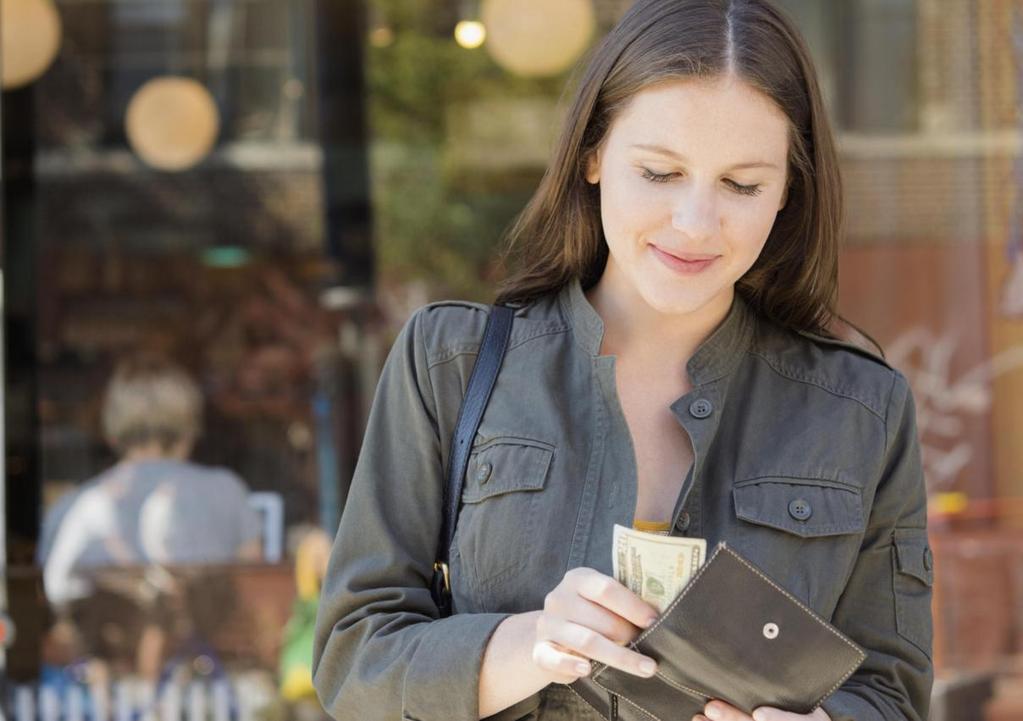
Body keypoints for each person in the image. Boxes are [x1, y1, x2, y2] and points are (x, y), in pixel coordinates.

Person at [311, 1, 933, 721]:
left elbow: (890, 692)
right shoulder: (447, 364)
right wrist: (529, 644)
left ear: (788, 192)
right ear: (594, 153)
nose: (696, 223)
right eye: (660, 172)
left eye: (742, 185)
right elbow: (353, 659)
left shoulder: (860, 408)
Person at [42, 351, 263, 606]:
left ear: (111, 427)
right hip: (209, 644)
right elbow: (252, 594)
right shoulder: (227, 491)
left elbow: (51, 603)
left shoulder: (69, 507)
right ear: (190, 425)